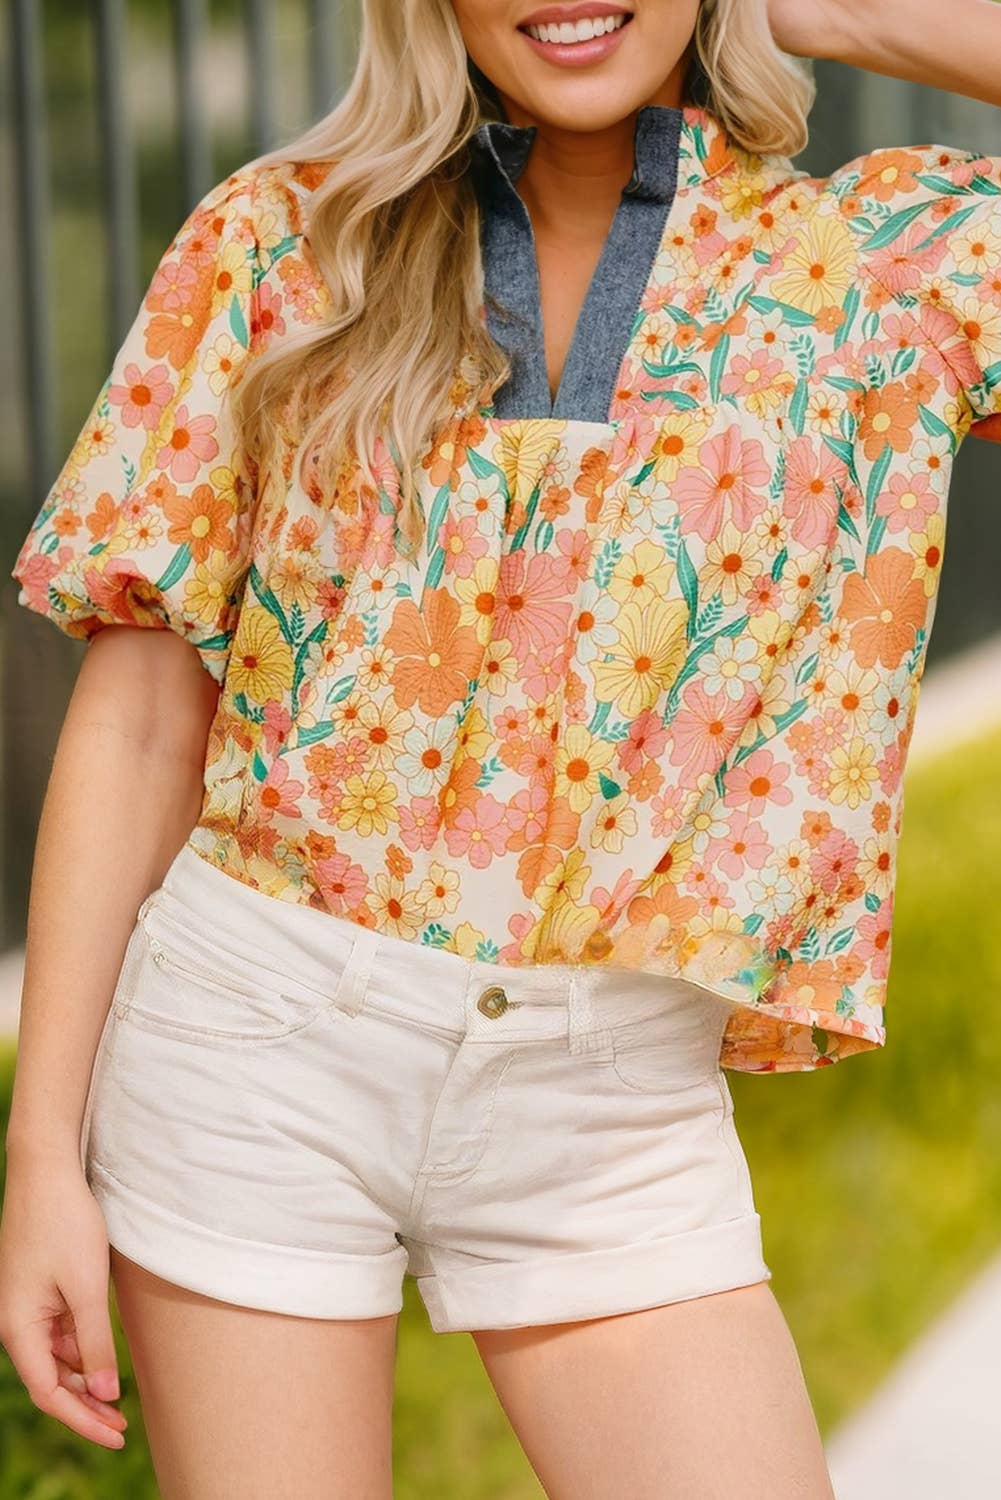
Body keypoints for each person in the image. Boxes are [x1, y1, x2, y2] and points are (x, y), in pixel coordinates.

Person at [1, 0, 999, 1493]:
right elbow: (144, 718)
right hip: (250, 1049)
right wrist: (39, 1161)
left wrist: (831, 7)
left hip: (613, 1104)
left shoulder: (893, 268)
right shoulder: (282, 242)